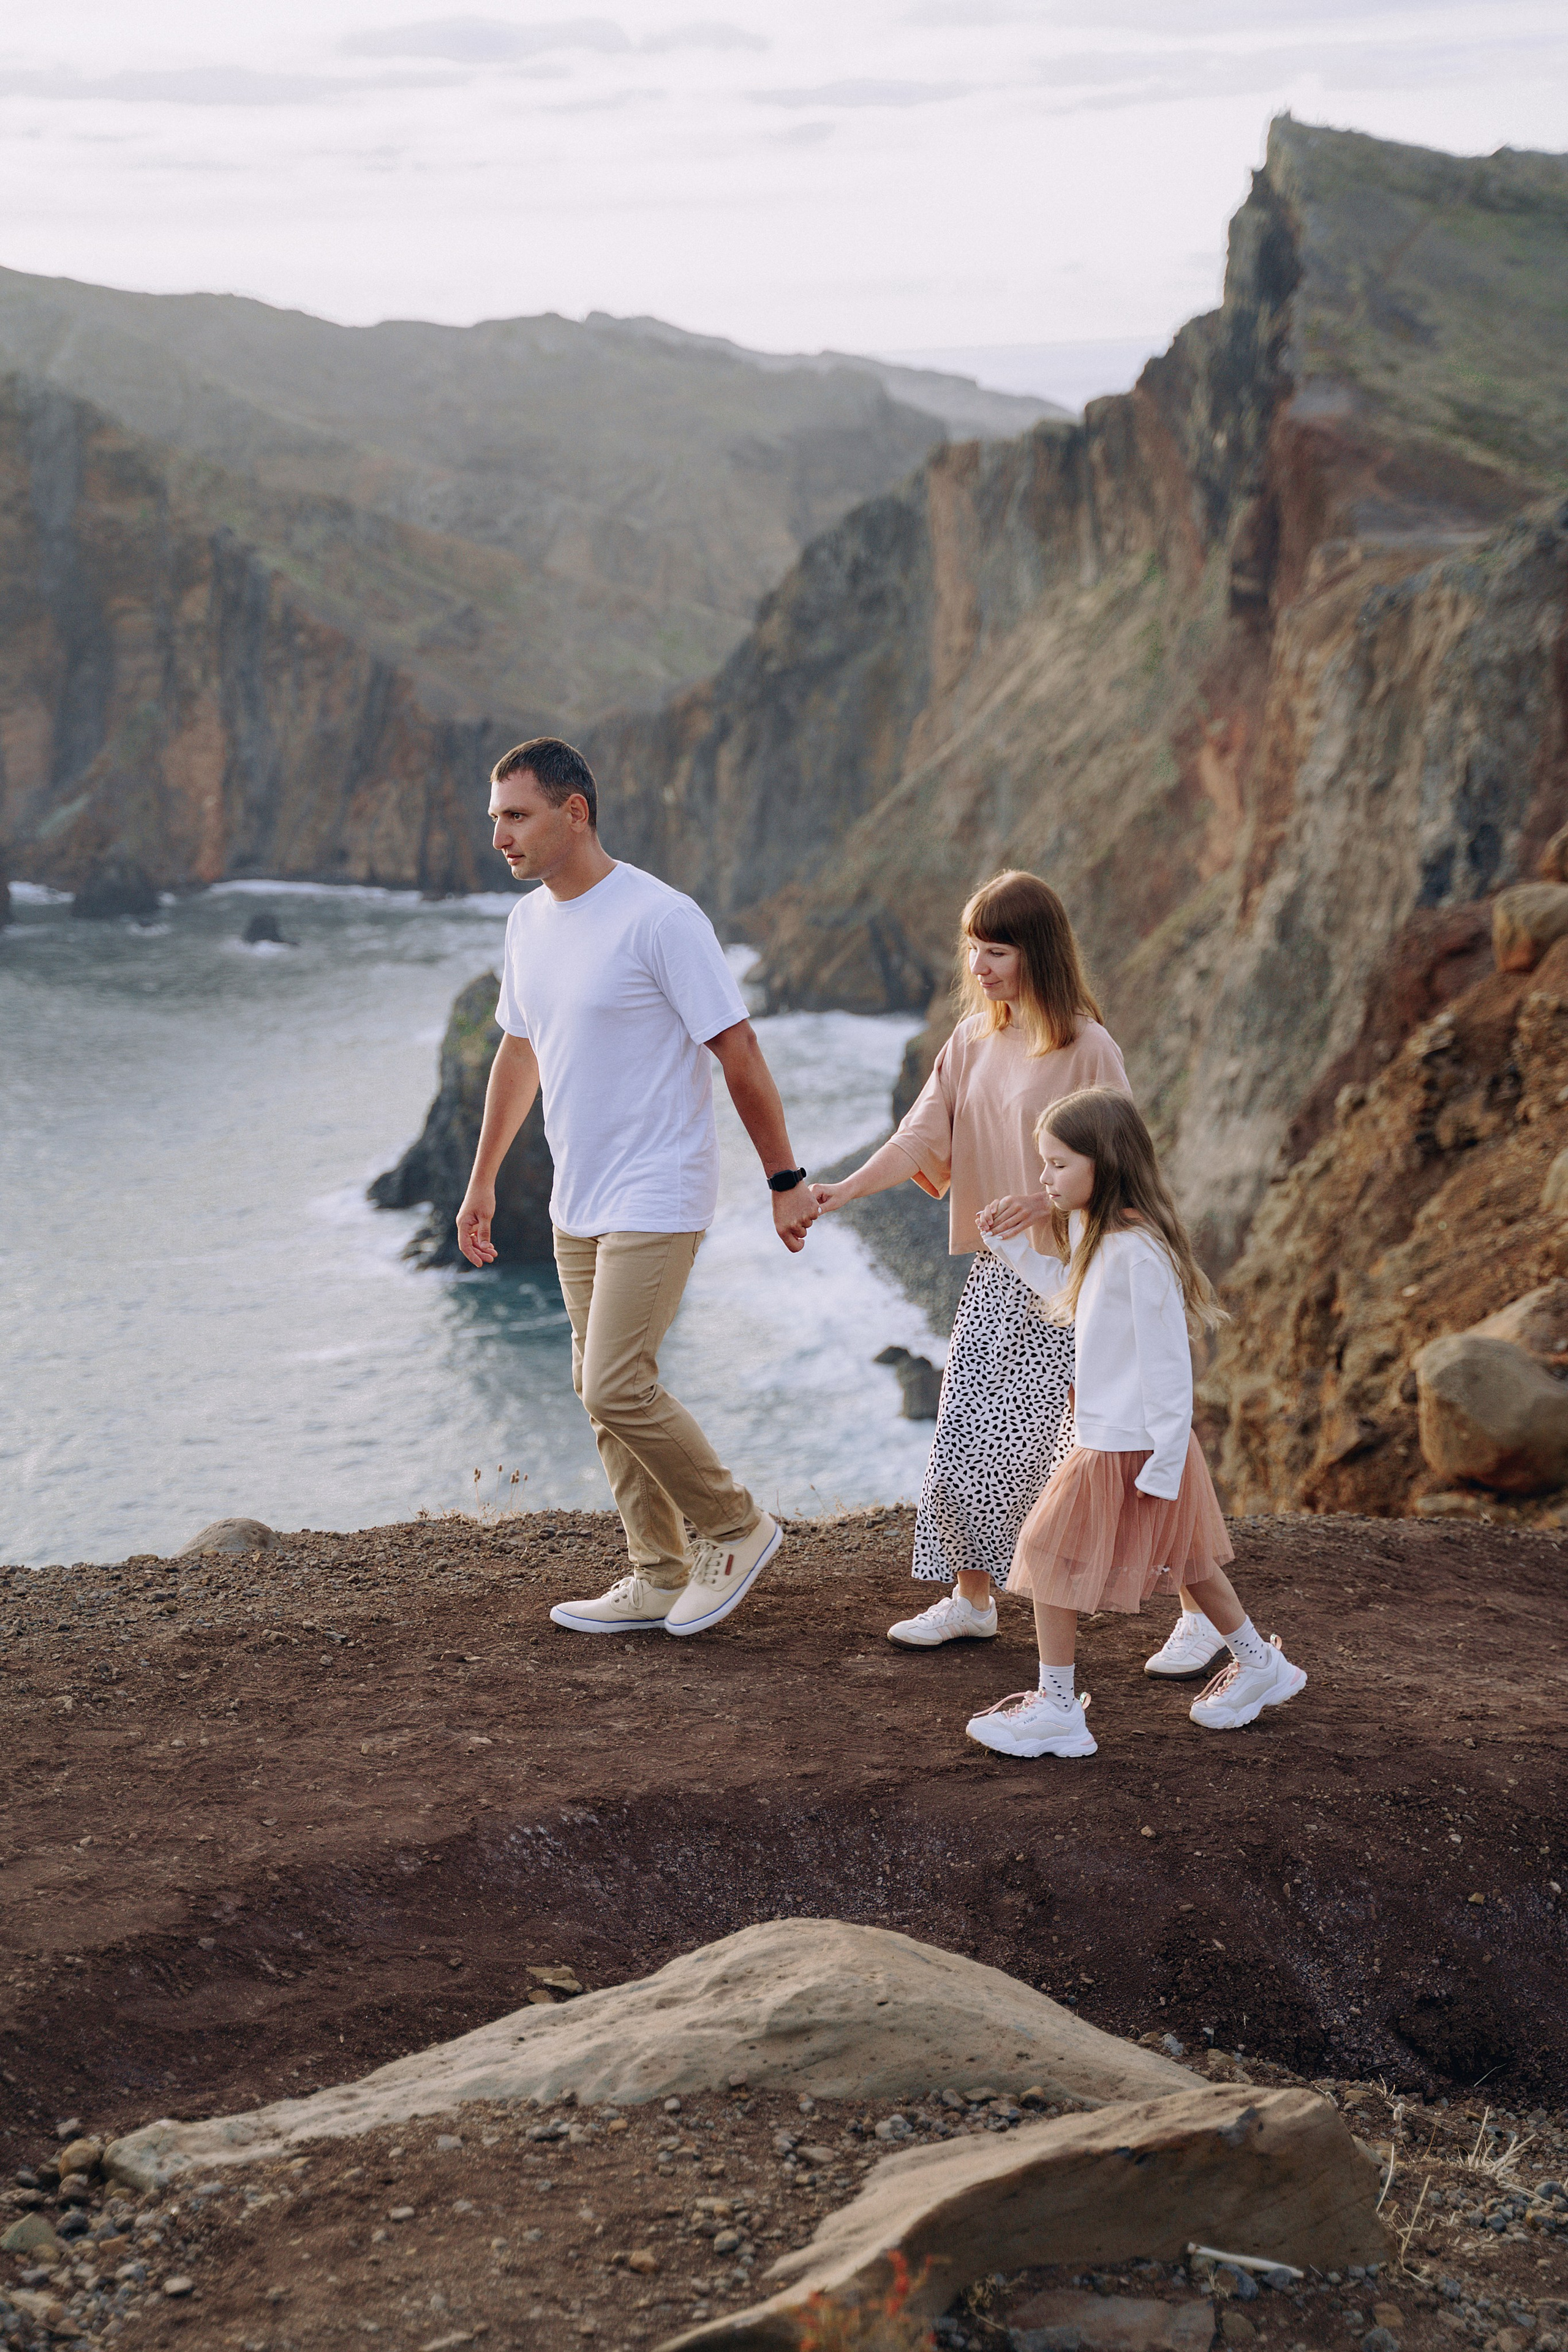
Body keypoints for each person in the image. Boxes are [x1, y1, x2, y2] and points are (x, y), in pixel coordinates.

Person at [454, 737, 818, 1637]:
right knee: (594, 1383)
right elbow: (520, 1048)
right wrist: (482, 1181)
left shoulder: (661, 919)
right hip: (576, 1193)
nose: (500, 834)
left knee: (616, 1382)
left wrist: (784, 1179)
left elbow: (737, 1050)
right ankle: (657, 1572)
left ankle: (735, 1527)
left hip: (659, 1188)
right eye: (495, 817)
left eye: (517, 815)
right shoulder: (527, 923)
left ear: (574, 812)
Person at [810, 872, 1128, 1649]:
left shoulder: (1090, 1048)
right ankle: (972, 1599)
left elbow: (1124, 1166)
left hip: (1075, 1282)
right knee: (963, 1434)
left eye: (997, 950)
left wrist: (1047, 1203)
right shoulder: (972, 1040)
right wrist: (845, 1190)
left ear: (1038, 953)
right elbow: (920, 1139)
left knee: (1092, 1452)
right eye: (972, 949)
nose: (978, 967)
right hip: (997, 1276)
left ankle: (1193, 1609)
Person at [965, 1086, 1306, 1758]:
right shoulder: (1102, 1238)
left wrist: (1164, 1461)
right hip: (1123, 1439)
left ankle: (1058, 1711)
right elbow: (1072, 1301)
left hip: (1134, 1446)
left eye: (1058, 1164)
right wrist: (1008, 1250)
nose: (1044, 1179)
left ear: (1105, 1161)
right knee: (1190, 1563)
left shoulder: (1137, 1252)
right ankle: (1261, 1665)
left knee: (1046, 1555)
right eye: (1044, 1164)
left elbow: (1169, 1369)